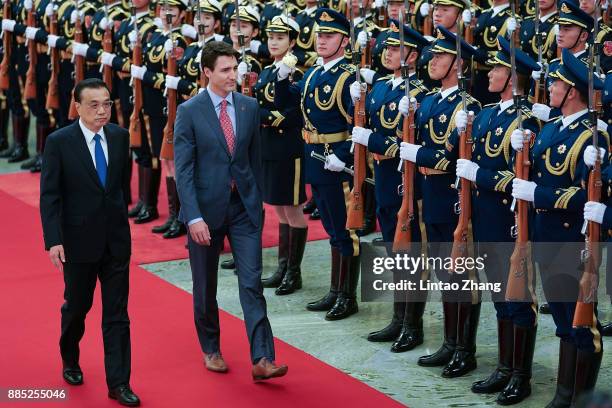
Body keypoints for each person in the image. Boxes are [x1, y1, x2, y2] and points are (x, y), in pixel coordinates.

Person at [174, 40, 288, 380]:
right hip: (205, 213)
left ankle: (263, 358)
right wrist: (192, 216)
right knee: (205, 286)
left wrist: (255, 198)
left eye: (234, 68)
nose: (232, 75)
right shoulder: (189, 111)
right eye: (224, 70)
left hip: (244, 209)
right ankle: (211, 348)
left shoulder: (249, 107)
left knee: (252, 284)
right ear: (207, 72)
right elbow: (184, 170)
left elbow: (251, 159)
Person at [510, 49, 607, 407]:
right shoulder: (551, 128)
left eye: (557, 83)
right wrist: (518, 152)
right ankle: (563, 393)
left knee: (582, 324)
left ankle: (580, 397)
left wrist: (540, 194)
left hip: (571, 238)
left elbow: (590, 198)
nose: (550, 87)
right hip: (544, 233)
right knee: (564, 321)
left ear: (573, 92)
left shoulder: (592, 137)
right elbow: (531, 174)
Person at [39, 78, 140, 407]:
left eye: (107, 104)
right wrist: (53, 241)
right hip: (77, 242)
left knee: (117, 315)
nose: (102, 110)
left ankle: (119, 383)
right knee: (77, 307)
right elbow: (50, 196)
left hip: (115, 242)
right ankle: (70, 357)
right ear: (78, 107)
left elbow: (120, 189)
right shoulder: (59, 142)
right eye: (94, 105)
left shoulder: (120, 136)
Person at [350, 20, 429, 351]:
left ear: (412, 54)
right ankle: (398, 318)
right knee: (393, 248)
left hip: (404, 175)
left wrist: (375, 140)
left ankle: (413, 324)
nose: (388, 53)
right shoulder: (381, 86)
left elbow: (410, 142)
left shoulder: (420, 93)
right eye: (387, 47)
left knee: (410, 250)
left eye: (397, 48)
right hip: (381, 174)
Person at [253, 15, 308, 295]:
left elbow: (294, 115)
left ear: (293, 41)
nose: (274, 42)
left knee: (293, 208)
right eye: (271, 37)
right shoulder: (266, 71)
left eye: (280, 38)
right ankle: (283, 266)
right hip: (268, 146)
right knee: (279, 207)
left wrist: (261, 115)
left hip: (288, 148)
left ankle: (293, 272)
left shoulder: (295, 74)